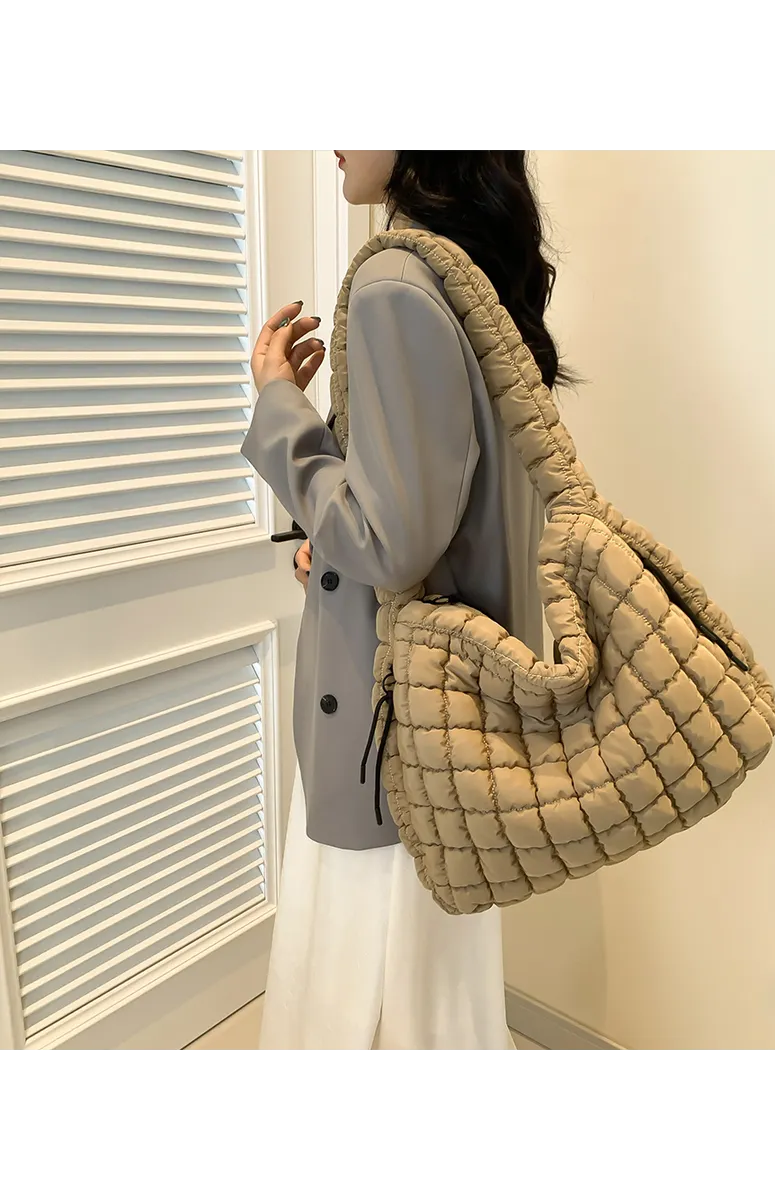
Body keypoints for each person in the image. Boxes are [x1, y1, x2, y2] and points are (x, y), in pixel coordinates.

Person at [241, 148, 580, 1052]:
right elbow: (429, 522)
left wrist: (280, 408)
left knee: (360, 995)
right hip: (452, 719)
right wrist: (338, 551)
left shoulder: (395, 281)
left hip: (387, 721)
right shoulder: (473, 272)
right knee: (434, 993)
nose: (331, 137)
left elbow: (390, 544)